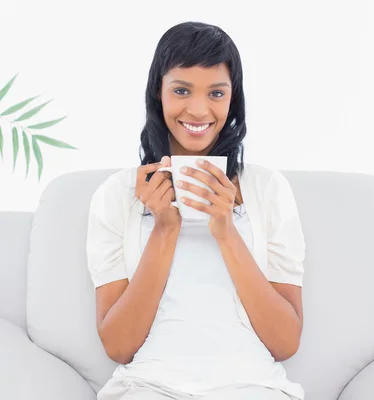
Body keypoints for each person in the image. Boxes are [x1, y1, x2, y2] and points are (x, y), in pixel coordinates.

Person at [86, 21, 306, 400]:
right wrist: (164, 228)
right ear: (159, 94)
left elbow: (285, 342)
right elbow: (119, 346)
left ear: (232, 99)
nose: (199, 109)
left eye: (216, 93)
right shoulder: (118, 195)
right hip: (145, 387)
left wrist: (225, 229)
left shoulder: (266, 189)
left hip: (254, 386)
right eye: (182, 90)